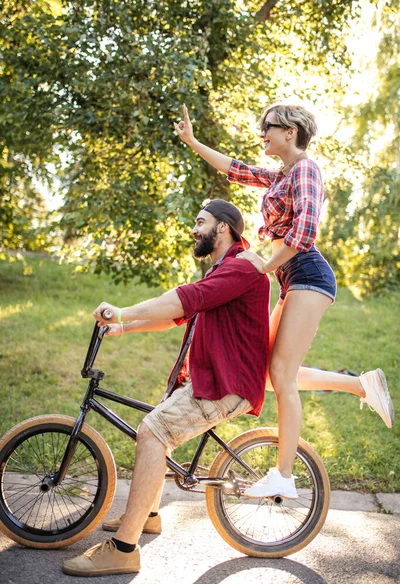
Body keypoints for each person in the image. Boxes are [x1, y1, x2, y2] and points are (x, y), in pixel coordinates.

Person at [174, 103, 394, 500]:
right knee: (264, 371)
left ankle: (285, 475)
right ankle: (360, 385)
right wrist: (192, 141)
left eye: (267, 128)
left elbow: (305, 231)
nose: (262, 134)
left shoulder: (307, 169)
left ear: (290, 132)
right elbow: (236, 169)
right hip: (292, 276)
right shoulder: (282, 175)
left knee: (282, 374)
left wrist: (261, 267)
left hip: (308, 273)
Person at [62, 199, 270, 577]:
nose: (194, 229)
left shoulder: (241, 267)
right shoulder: (223, 268)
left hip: (226, 384)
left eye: (200, 221)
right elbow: (178, 314)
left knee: (154, 432)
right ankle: (149, 515)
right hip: (209, 378)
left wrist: (124, 311)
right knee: (157, 428)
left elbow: (183, 299)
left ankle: (124, 549)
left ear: (223, 228)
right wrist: (123, 327)